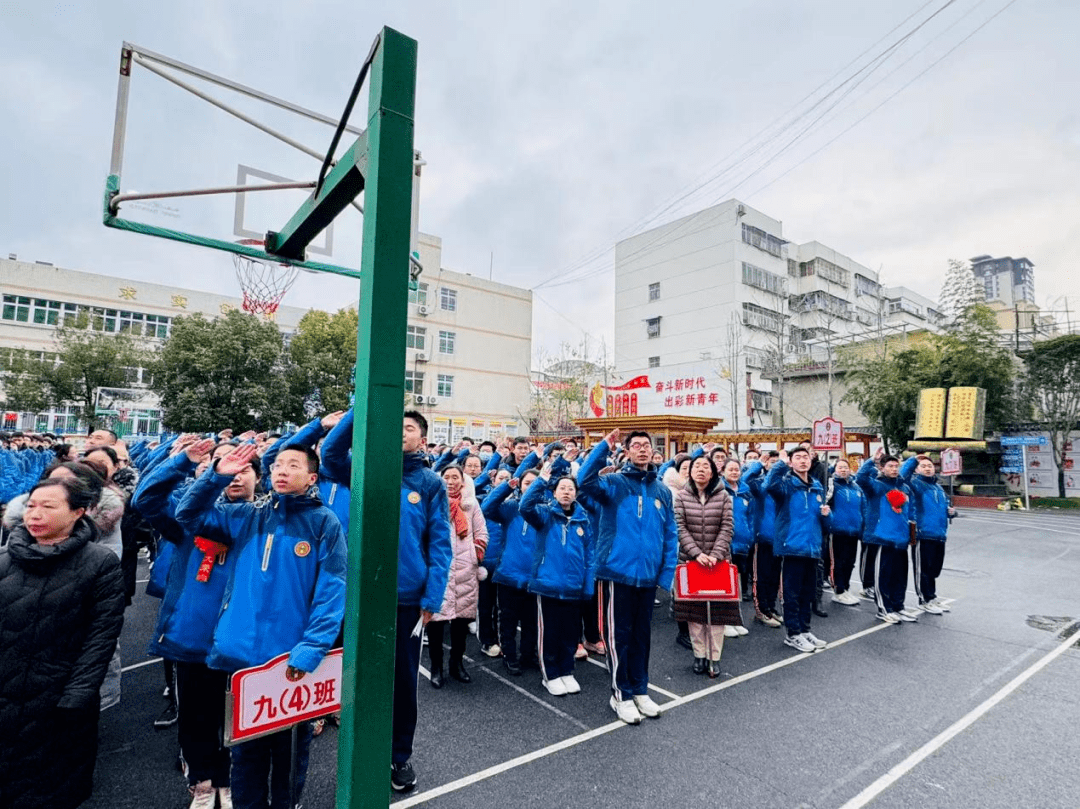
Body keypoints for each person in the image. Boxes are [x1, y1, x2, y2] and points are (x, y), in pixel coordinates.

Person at [175, 442, 347, 809]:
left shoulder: (323, 523)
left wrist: (312, 647)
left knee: (290, 756)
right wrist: (214, 477)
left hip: (292, 661)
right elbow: (187, 515)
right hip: (241, 658)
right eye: (278, 464)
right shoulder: (247, 515)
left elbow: (332, 590)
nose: (282, 470)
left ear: (311, 477)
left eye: (293, 465)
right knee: (245, 754)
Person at [133, 437, 259, 808]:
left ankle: (230, 779)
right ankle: (202, 783)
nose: (235, 474)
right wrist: (184, 462)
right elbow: (146, 500)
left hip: (241, 639)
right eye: (223, 465)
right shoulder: (190, 517)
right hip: (193, 635)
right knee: (196, 716)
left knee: (239, 717)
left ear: (258, 477)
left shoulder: (264, 519)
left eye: (245, 468)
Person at [0, 476, 125, 809]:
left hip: (58, 703)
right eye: (31, 506)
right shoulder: (4, 559)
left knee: (51, 789)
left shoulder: (99, 563)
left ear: (78, 513)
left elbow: (101, 635)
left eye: (48, 506)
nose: (35, 515)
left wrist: (76, 697)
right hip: (5, 695)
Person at [578, 429, 678, 725]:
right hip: (616, 573)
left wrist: (666, 573)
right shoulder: (613, 484)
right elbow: (583, 480)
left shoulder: (662, 491)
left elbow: (670, 534)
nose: (643, 450)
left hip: (647, 577)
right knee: (617, 636)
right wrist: (602, 447)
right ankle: (620, 694)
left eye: (647, 445)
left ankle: (639, 688)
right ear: (627, 452)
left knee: (641, 636)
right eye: (636, 446)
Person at [390, 411, 453, 793]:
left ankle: (399, 756)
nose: (401, 433)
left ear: (422, 439)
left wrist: (432, 596)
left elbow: (440, 544)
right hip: (363, 594)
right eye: (394, 425)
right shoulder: (366, 467)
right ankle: (360, 747)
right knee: (357, 676)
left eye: (408, 428)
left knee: (402, 680)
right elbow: (329, 457)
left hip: (407, 599)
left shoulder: (429, 483)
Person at [519, 457, 595, 696]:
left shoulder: (583, 520)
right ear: (554, 492)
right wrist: (541, 480)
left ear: (576, 493)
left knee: (570, 632)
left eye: (570, 489)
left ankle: (566, 670)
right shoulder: (544, 515)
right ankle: (550, 674)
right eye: (561, 488)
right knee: (549, 632)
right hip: (548, 585)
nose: (566, 492)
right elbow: (524, 506)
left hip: (574, 586)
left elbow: (590, 556)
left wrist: (588, 585)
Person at [673, 455, 736, 677]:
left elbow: (727, 527)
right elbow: (679, 528)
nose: (700, 470)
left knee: (717, 615)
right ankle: (699, 655)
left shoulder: (724, 496)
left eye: (705, 466)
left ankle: (714, 657)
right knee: (695, 614)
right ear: (689, 472)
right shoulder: (681, 497)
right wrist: (697, 554)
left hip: (718, 563)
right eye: (696, 466)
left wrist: (715, 555)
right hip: (690, 561)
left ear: (713, 472)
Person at [426, 465, 488, 688]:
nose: (451, 481)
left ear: (463, 482)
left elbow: (481, 531)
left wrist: (476, 553)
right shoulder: (432, 502)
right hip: (439, 569)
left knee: (461, 624)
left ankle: (456, 664)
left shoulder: (471, 505)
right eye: (446, 477)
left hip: (465, 571)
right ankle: (436, 667)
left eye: (455, 477)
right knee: (435, 624)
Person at [766, 448, 831, 653]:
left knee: (808, 593)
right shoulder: (785, 485)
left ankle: (805, 630)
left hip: (812, 547)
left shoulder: (817, 486)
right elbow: (769, 484)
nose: (803, 461)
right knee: (791, 594)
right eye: (798, 458)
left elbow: (825, 522)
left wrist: (827, 515)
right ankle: (792, 634)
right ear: (791, 462)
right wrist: (781, 463)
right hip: (792, 547)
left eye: (805, 457)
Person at [482, 468, 544, 675]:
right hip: (509, 574)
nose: (531, 487)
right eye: (527, 483)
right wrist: (505, 487)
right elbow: (487, 508)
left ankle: (528, 655)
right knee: (507, 619)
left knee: (531, 622)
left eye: (535, 483)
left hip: (534, 577)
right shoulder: (510, 508)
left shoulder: (545, 510)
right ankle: (510, 656)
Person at [856, 452, 915, 624]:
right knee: (883, 575)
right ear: (882, 468)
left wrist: (914, 458)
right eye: (890, 466)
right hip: (882, 538)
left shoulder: (903, 487)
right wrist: (871, 461)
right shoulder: (876, 486)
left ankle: (899, 606)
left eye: (896, 466)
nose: (894, 469)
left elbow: (909, 510)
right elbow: (861, 478)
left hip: (901, 539)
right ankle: (884, 608)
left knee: (900, 576)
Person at [900, 455, 956, 614]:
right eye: (923, 466)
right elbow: (902, 477)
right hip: (922, 534)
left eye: (930, 465)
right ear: (917, 469)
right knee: (923, 568)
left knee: (934, 569)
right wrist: (912, 461)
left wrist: (951, 512)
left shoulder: (938, 488)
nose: (927, 468)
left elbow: (944, 508)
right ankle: (924, 599)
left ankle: (931, 596)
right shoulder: (914, 485)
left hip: (939, 534)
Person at [744, 451, 783, 628]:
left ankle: (771, 608)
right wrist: (758, 463)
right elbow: (744, 480)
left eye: (778, 462)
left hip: (780, 538)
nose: (774, 465)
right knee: (761, 576)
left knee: (775, 577)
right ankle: (761, 610)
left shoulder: (784, 485)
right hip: (762, 537)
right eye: (771, 462)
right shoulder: (760, 484)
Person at [720, 458, 754, 632]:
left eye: (737, 469)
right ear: (722, 471)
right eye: (730, 469)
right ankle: (723, 620)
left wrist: (750, 535)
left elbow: (751, 517)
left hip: (742, 543)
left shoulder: (745, 492)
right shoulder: (719, 491)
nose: (734, 472)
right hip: (725, 545)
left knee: (737, 583)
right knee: (725, 583)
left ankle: (734, 619)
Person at [827, 457, 866, 607]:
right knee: (837, 562)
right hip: (837, 530)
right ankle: (838, 590)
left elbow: (863, 508)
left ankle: (846, 588)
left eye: (845, 467)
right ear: (835, 470)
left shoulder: (856, 487)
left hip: (853, 531)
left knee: (850, 562)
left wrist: (862, 525)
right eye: (840, 467)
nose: (843, 470)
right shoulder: (833, 486)